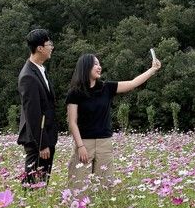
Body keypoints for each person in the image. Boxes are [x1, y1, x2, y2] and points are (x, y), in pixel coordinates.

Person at [65, 53, 161, 186]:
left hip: (105, 143)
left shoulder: (106, 88)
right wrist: (80, 146)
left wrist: (152, 70)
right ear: (85, 67)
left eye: (99, 64)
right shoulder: (75, 93)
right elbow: (72, 122)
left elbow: (132, 83)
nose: (99, 67)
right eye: (95, 64)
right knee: (78, 186)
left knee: (106, 186)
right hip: (84, 144)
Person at [17, 28, 57, 185]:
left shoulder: (40, 70)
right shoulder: (28, 76)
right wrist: (42, 144)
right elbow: (33, 114)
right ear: (40, 48)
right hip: (37, 141)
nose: (51, 47)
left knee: (41, 182)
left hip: (45, 136)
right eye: (49, 44)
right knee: (34, 184)